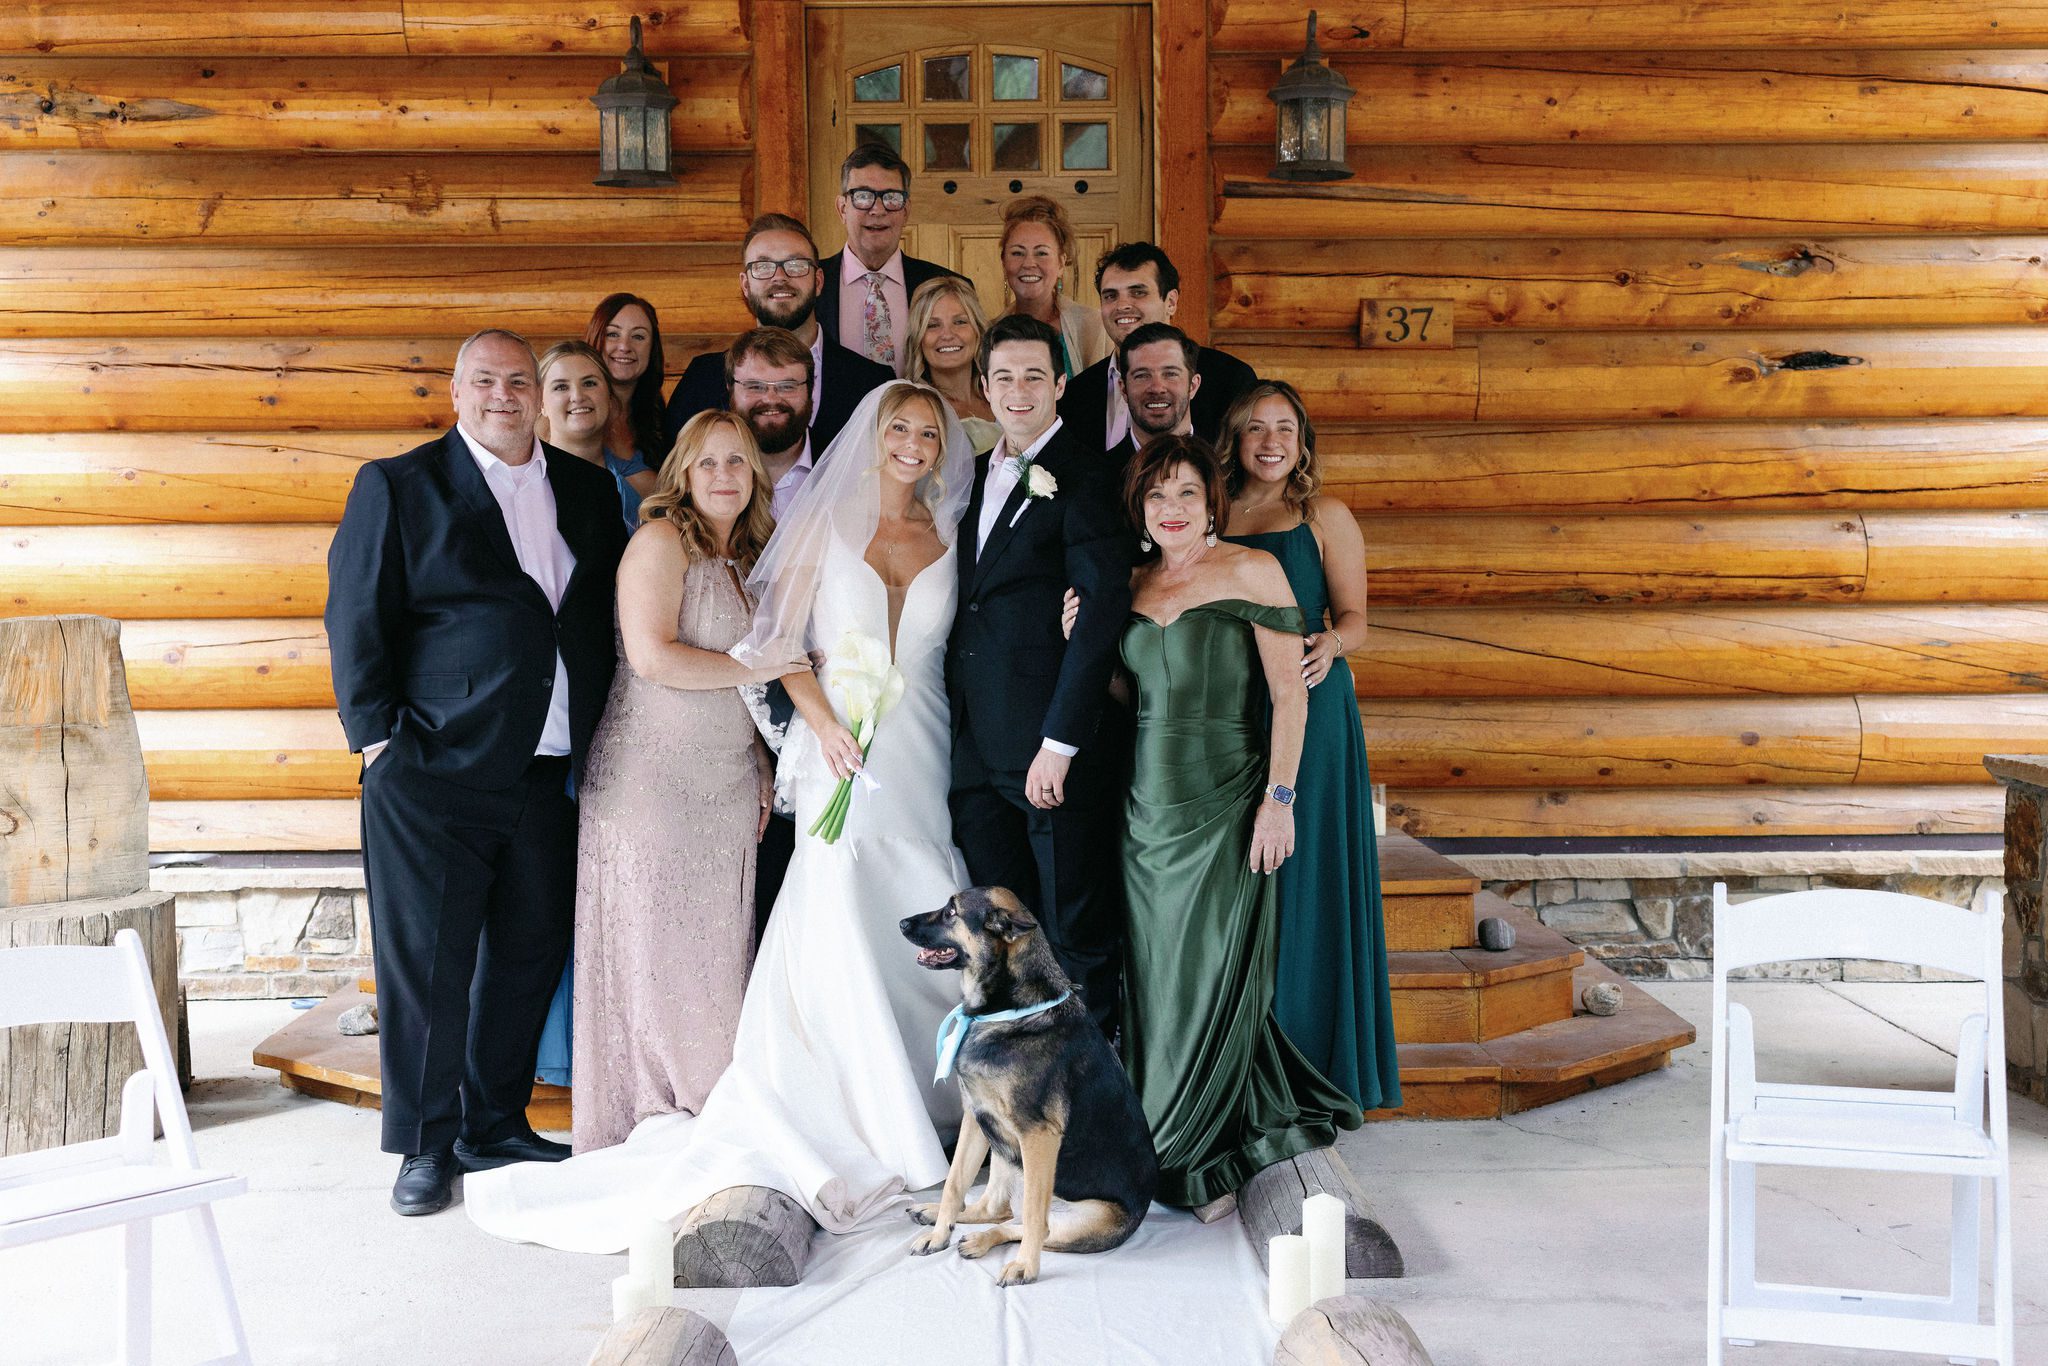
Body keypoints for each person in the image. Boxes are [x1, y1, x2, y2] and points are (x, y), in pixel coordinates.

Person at [464, 382, 979, 1249]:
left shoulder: (929, 536)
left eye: (929, 432)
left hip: (915, 747)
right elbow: (768, 650)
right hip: (766, 758)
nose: (913, 442)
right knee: (823, 910)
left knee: (905, 898)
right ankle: (832, 1101)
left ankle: (936, 1102)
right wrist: (820, 723)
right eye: (898, 426)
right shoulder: (774, 531)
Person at [325, 328, 628, 1217]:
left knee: (527, 952)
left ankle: (493, 1121)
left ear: (540, 395)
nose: (504, 395)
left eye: (518, 381)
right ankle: (424, 1143)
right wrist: (378, 739)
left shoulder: (583, 486)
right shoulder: (400, 483)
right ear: (455, 392)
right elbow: (355, 609)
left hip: (548, 766)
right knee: (429, 964)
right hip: (433, 770)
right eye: (484, 381)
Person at [1110, 434, 1361, 1209]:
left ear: (1212, 502)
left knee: (1210, 966)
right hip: (1147, 807)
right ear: (1140, 509)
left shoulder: (1254, 569)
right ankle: (1151, 1118)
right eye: (1158, 496)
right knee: (1153, 976)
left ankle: (1189, 1143)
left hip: (1227, 798)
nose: (1173, 509)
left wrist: (1277, 802)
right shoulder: (1133, 582)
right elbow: (1134, 697)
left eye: (1188, 493)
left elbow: (1291, 695)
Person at [572, 410, 794, 1152]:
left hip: (728, 782)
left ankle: (715, 1108)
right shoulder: (660, 542)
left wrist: (761, 757)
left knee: (716, 962)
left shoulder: (753, 555)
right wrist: (762, 667)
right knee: (658, 961)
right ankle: (660, 1113)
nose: (725, 476)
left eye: (738, 462)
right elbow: (653, 657)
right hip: (652, 782)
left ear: (756, 475)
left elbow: (745, 684)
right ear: (683, 476)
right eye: (708, 464)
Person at [947, 314, 1131, 1033]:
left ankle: (1091, 1116)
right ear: (983, 387)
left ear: (1060, 383)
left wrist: (1060, 744)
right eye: (1003, 377)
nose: (1018, 391)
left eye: (1033, 376)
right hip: (975, 750)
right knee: (999, 939)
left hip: (1049, 755)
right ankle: (1018, 1097)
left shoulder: (1088, 477)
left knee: (1074, 932)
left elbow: (1099, 614)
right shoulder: (971, 473)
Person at [1223, 382, 1400, 1113]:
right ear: (1234, 437)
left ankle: (1315, 1066)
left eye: (1285, 429)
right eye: (1257, 427)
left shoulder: (1324, 516)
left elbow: (1356, 617)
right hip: (1231, 709)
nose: (1271, 442)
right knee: (1244, 881)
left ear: (1302, 441)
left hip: (1314, 704)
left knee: (1307, 877)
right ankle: (1243, 1063)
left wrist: (1332, 641)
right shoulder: (1213, 511)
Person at [662, 213, 893, 458]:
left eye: (796, 265)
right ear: (745, 285)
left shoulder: (873, 384)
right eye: (762, 267)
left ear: (818, 281)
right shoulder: (702, 378)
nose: (780, 277)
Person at [1057, 242, 1258, 453]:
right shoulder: (1076, 395)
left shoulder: (1231, 380)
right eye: (1110, 296)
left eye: (1138, 293)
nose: (1122, 305)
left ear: (1170, 302)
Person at [817, 143, 966, 371]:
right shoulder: (811, 284)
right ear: (842, 209)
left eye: (891, 197)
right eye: (863, 196)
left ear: (906, 211)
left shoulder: (945, 283)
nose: (878, 210)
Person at [540, 340, 656, 532]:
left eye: (589, 383)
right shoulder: (520, 484)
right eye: (561, 387)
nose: (577, 396)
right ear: (540, 403)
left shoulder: (645, 488)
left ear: (610, 398)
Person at [997, 195, 1110, 380]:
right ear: (1004, 262)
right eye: (1017, 253)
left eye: (1041, 253)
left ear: (1061, 263)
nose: (1029, 263)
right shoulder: (989, 331)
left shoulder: (1093, 327)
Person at [724, 327, 820, 522]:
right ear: (730, 389)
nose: (770, 399)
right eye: (754, 386)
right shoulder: (705, 473)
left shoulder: (844, 464)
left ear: (810, 390)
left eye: (787, 387)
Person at [902, 275, 999, 453]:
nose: (947, 334)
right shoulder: (911, 409)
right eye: (932, 325)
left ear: (978, 331)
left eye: (960, 322)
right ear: (918, 338)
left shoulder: (1002, 396)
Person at [584, 294, 667, 469]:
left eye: (638, 337)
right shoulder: (569, 410)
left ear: (652, 349)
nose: (624, 346)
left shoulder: (660, 421)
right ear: (596, 339)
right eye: (613, 334)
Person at [1106, 322, 1200, 468]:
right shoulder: (1096, 477)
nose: (1157, 388)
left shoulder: (1223, 469)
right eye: (1142, 375)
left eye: (1170, 374)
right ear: (1123, 389)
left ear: (1193, 386)